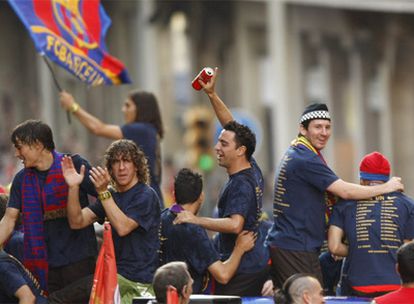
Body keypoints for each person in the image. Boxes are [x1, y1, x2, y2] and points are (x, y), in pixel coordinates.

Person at [265, 103, 404, 288]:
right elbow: (345, 191)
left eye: (327, 127)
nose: (324, 132)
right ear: (302, 129)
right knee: (310, 299)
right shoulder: (305, 158)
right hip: (296, 247)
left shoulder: (301, 152)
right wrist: (386, 187)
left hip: (294, 246)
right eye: (317, 127)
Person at [174, 68, 270, 296]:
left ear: (240, 151)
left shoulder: (240, 184)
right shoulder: (251, 164)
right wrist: (212, 95)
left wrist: (195, 219)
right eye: (218, 142)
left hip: (241, 270)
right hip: (252, 262)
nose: (216, 148)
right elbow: (232, 127)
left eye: (223, 144)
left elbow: (235, 224)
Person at [0, 120, 98, 296]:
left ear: (38, 145)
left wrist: (88, 215)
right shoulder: (22, 180)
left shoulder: (73, 164)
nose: (16, 154)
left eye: (19, 147)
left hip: (79, 260)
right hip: (44, 266)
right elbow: (9, 219)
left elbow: (104, 195)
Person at [61, 139, 161, 304]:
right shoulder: (111, 196)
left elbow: (123, 227)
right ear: (110, 169)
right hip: (112, 278)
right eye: (116, 162)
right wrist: (73, 188)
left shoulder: (145, 195)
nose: (121, 167)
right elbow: (76, 221)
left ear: (136, 166)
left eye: (126, 161)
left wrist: (103, 192)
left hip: (138, 283)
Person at [328, 152, 414, 297]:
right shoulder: (408, 204)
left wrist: (359, 248)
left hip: (358, 285)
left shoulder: (344, 204)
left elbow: (334, 247)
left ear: (361, 180)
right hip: (395, 284)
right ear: (387, 178)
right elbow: (407, 249)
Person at [60, 90, 164, 206]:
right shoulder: (149, 130)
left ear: (141, 108)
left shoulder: (140, 130)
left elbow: (98, 128)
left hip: (144, 204)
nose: (123, 110)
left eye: (127, 105)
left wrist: (73, 107)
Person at [160, 168, 256, 294]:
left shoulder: (161, 218)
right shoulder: (193, 230)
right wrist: (239, 248)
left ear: (173, 194)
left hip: (161, 295)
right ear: (201, 197)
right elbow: (223, 275)